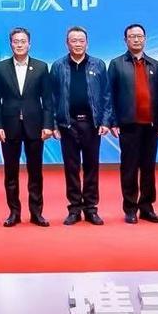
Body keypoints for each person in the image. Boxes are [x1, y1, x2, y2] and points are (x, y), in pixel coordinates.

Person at [0, 27, 53, 227]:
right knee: (11, 173)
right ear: (11, 44)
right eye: (16, 41)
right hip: (9, 127)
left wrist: (48, 125)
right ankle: (14, 213)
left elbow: (47, 99)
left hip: (35, 126)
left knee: (35, 172)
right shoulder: (0, 68)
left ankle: (36, 213)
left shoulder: (41, 67)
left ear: (29, 44)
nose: (19, 45)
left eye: (23, 41)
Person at [48, 25, 110, 225]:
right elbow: (52, 97)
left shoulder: (98, 65)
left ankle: (91, 208)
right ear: (67, 43)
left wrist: (105, 121)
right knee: (71, 168)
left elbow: (106, 95)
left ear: (87, 43)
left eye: (81, 40)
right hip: (68, 124)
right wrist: (54, 124)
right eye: (73, 40)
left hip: (92, 124)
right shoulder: (58, 66)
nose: (77, 44)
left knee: (92, 167)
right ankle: (74, 208)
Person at [108, 23, 158, 224]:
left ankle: (147, 207)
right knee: (129, 167)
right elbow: (110, 95)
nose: (136, 39)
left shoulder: (155, 65)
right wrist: (113, 121)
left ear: (145, 39)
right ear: (125, 40)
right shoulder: (116, 64)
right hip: (128, 124)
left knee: (148, 168)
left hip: (151, 125)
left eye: (140, 36)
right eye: (132, 36)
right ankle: (130, 208)